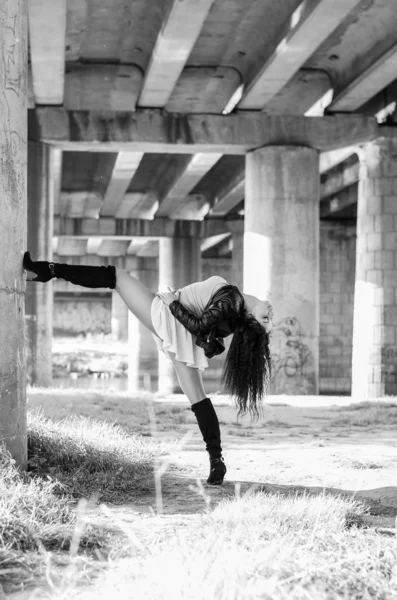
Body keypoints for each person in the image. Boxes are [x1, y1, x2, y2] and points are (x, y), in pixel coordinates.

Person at [23, 251, 273, 485]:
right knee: (198, 398)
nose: (270, 313)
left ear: (250, 319)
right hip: (180, 330)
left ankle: (48, 270)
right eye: (269, 318)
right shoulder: (236, 306)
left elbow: (199, 326)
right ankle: (216, 461)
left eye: (265, 320)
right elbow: (206, 325)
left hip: (169, 316)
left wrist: (172, 301)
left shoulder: (233, 301)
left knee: (117, 277)